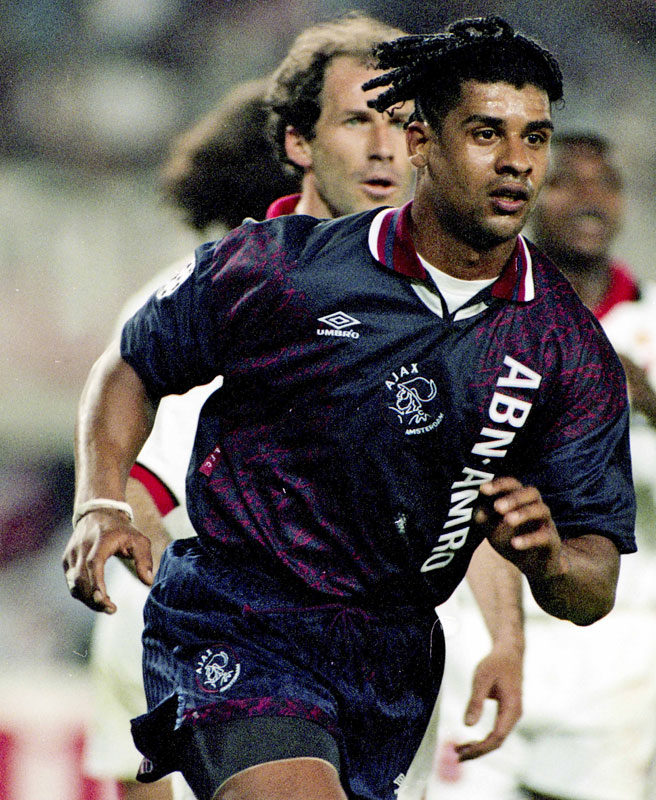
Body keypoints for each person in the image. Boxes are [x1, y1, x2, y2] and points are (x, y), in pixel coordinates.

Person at [63, 16, 636, 800]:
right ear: (424, 142)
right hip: (244, 617)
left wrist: (548, 565)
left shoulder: (567, 348)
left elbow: (590, 578)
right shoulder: (286, 268)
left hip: (392, 657)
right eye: (485, 134)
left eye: (534, 138)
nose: (515, 161)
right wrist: (100, 503)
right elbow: (132, 366)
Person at [81, 77, 300, 800]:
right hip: (219, 629)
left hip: (139, 615)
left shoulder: (161, 290)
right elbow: (147, 487)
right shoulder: (256, 298)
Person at [428, 133, 656, 800]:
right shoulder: (481, 318)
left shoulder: (651, 325)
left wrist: (649, 402)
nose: (589, 197)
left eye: (605, 183)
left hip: (619, 638)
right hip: (483, 619)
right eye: (565, 181)